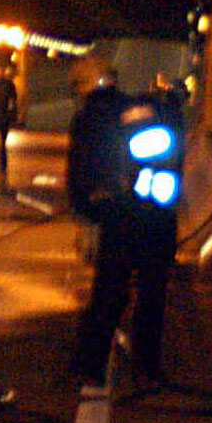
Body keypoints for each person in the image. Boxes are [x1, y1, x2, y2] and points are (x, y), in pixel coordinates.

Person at [65, 56, 179, 397]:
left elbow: (80, 174)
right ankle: (147, 370)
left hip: (121, 215)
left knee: (109, 292)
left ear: (85, 86)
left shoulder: (89, 118)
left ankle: (89, 367)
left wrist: (87, 212)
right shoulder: (142, 107)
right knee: (152, 294)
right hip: (159, 216)